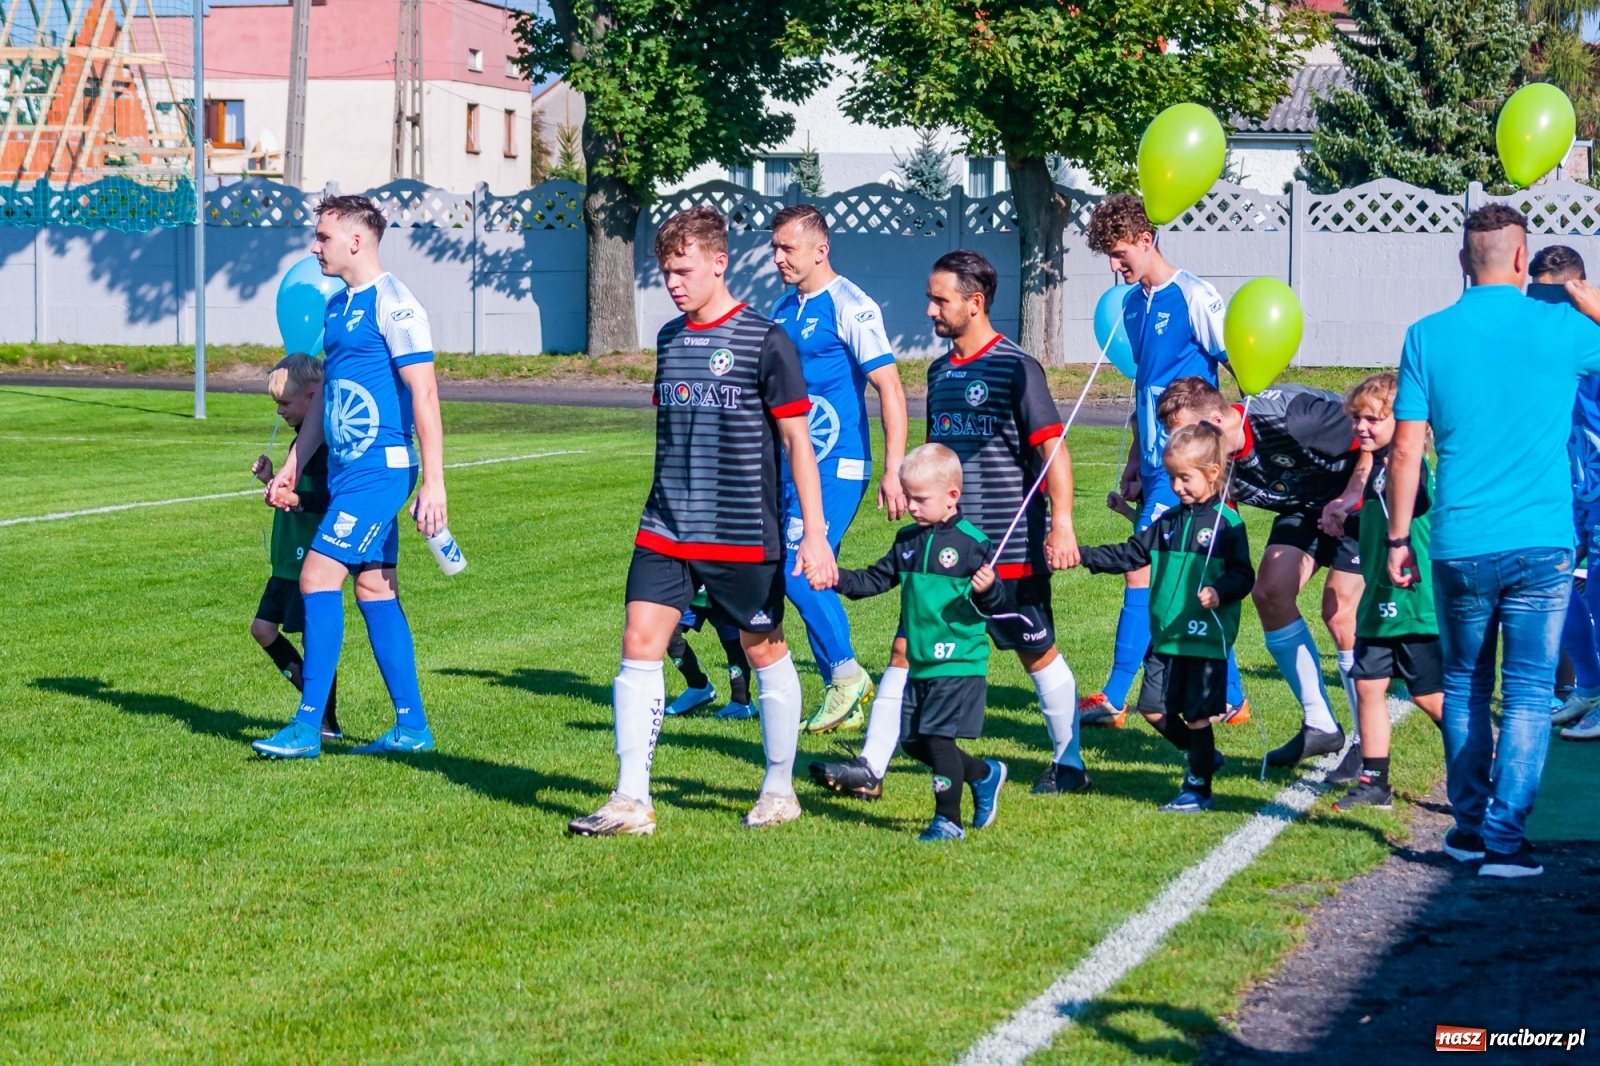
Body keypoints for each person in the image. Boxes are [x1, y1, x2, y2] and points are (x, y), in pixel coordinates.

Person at [567, 207, 837, 837]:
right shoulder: (668, 339)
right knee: (639, 644)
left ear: (719, 263)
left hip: (744, 529)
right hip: (665, 525)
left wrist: (815, 532)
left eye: (684, 270)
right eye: (665, 272)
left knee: (762, 648)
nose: (674, 283)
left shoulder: (768, 342)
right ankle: (632, 798)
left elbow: (798, 443)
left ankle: (778, 788)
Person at [809, 249, 1086, 800]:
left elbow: (1053, 450)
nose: (931, 310)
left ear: (975, 303)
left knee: (1035, 649)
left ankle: (1070, 761)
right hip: (943, 545)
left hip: (1007, 543)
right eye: (930, 298)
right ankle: (871, 766)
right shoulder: (939, 372)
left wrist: (1063, 524)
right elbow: (938, 454)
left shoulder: (1016, 366)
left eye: (941, 300)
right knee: (906, 648)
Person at [1388, 204, 1600, 876]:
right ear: (1521, 260)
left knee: (1466, 685)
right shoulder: (1563, 327)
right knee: (1531, 690)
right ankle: (1505, 840)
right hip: (1542, 543)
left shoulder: (1426, 335)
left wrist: (1398, 538)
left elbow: (1404, 449)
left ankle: (1471, 828)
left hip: (1458, 542)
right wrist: (1586, 300)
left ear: (1461, 262)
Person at [255, 194, 447, 759]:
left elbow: (425, 392)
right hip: (346, 473)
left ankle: (309, 727)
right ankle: (412, 728)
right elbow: (323, 403)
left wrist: (433, 481)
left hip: (380, 472)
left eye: (323, 238)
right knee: (373, 588)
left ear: (356, 241)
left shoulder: (398, 305)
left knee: (316, 576)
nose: (315, 247)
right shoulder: (338, 306)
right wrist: (293, 464)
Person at [1082, 192, 1249, 730]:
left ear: (1146, 240)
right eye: (1108, 256)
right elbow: (1144, 389)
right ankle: (1236, 696)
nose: (1114, 266)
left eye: (1119, 252)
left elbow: (1240, 371)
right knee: (1181, 575)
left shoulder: (1196, 296)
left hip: (1193, 462)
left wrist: (1231, 449)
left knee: (1142, 567)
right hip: (1155, 465)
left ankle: (1112, 697)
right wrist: (1135, 458)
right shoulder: (1132, 306)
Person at [1158, 378, 1371, 769]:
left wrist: (1350, 498)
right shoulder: (1210, 463)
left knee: (1339, 612)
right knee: (1270, 592)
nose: (1184, 446)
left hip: (1363, 496)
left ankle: (1367, 742)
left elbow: (1375, 441)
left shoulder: (1295, 418)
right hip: (1306, 506)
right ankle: (1321, 726)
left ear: (1219, 420)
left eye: (1190, 433)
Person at [810, 444, 1010, 841]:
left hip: (959, 662)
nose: (912, 506)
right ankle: (985, 774)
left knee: (937, 739)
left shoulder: (974, 544)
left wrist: (989, 591)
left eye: (921, 499)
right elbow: (874, 580)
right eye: (909, 496)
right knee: (916, 742)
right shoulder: (907, 542)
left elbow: (997, 604)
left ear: (952, 496)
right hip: (919, 661)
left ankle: (948, 820)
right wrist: (836, 578)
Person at [769, 204, 909, 734]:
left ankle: (847, 676)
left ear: (820, 249)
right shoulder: (783, 307)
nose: (778, 257)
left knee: (800, 569)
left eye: (789, 247)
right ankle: (840, 695)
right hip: (793, 464)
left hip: (838, 463)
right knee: (806, 573)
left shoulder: (852, 304)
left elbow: (890, 387)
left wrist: (893, 467)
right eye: (776, 247)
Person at [1075, 423, 1255, 812]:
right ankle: (1203, 757)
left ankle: (1198, 789)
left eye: (1185, 478)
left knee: (1195, 716)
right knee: (1153, 709)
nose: (1177, 486)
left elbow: (1244, 575)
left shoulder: (1228, 524)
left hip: (1204, 638)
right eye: (1172, 477)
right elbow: (1130, 554)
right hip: (1167, 635)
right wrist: (1082, 554)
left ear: (1212, 473)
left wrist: (1220, 590)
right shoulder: (1169, 522)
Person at [1332, 373, 1444, 812]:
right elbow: (1379, 523)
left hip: (1414, 602)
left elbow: (1414, 504)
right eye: (1357, 418)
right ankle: (1374, 781)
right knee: (1368, 687)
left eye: (1373, 420)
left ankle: (1480, 763)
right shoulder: (1379, 469)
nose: (1362, 427)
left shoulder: (1408, 466)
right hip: (1377, 606)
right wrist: (1346, 520)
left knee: (1429, 696)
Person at [249, 353, 341, 741]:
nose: (280, 412)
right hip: (285, 558)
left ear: (313, 396)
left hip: (308, 557)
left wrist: (297, 501)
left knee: (312, 637)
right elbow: (291, 491)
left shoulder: (322, 447)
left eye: (285, 403)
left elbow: (327, 497)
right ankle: (315, 703)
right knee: (262, 630)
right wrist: (271, 481)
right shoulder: (297, 442)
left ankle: (325, 720)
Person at [1529, 245, 1600, 741]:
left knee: (1596, 589)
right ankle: (1589, 688)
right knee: (1554, 583)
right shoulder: (1546, 341)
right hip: (1571, 486)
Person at [664, 591, 756, 719]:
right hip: (690, 593)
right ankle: (698, 686)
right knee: (666, 633)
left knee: (735, 646)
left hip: (725, 593)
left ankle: (741, 702)